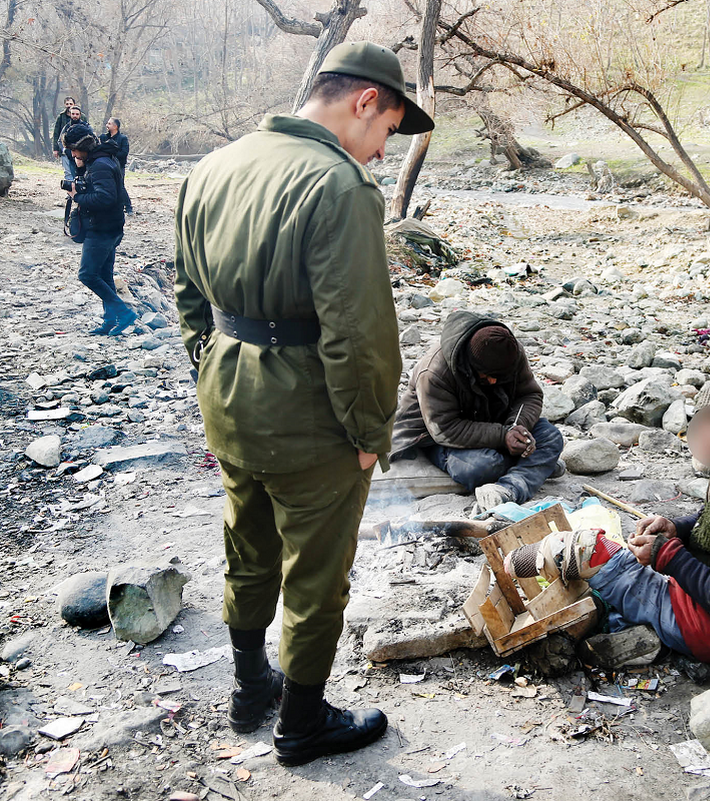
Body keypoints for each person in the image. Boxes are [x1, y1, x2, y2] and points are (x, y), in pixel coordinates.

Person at [173, 41, 434, 767]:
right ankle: (303, 722)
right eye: (386, 132)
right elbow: (359, 333)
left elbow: (188, 291)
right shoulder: (338, 186)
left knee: (246, 547)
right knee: (316, 575)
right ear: (364, 101)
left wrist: (210, 365)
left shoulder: (214, 166)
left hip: (228, 397)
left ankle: (251, 686)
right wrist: (367, 430)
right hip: (309, 413)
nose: (382, 152)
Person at [505, 379, 710, 680]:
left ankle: (516, 566)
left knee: (586, 550)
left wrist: (665, 553)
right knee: (610, 554)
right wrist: (675, 528)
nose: (708, 437)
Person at [390, 310, 565, 510]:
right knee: (483, 466)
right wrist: (503, 436)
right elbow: (446, 430)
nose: (493, 382)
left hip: (493, 423)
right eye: (487, 375)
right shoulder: (434, 372)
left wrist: (517, 427)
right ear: (470, 363)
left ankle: (510, 489)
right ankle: (538, 465)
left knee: (551, 437)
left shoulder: (511, 354)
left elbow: (530, 395)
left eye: (499, 377)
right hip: (438, 437)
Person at [63, 123, 137, 336]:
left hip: (102, 228)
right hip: (111, 226)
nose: (72, 153)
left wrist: (76, 196)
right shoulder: (101, 158)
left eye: (74, 149)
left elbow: (105, 197)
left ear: (84, 146)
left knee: (87, 274)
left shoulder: (100, 164)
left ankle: (123, 313)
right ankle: (109, 321)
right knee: (104, 275)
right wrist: (80, 168)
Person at [100, 118, 132, 214]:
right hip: (106, 166)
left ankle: (128, 207)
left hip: (119, 166)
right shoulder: (104, 138)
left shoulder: (123, 138)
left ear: (115, 126)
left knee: (120, 186)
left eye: (109, 124)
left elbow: (124, 153)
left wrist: (111, 154)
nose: (107, 125)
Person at [54, 102, 87, 179]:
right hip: (70, 157)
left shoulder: (86, 127)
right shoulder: (66, 127)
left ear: (80, 115)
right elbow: (60, 140)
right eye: (73, 114)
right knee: (70, 176)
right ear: (70, 114)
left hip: (83, 157)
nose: (75, 116)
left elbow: (90, 140)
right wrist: (66, 151)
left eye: (77, 114)